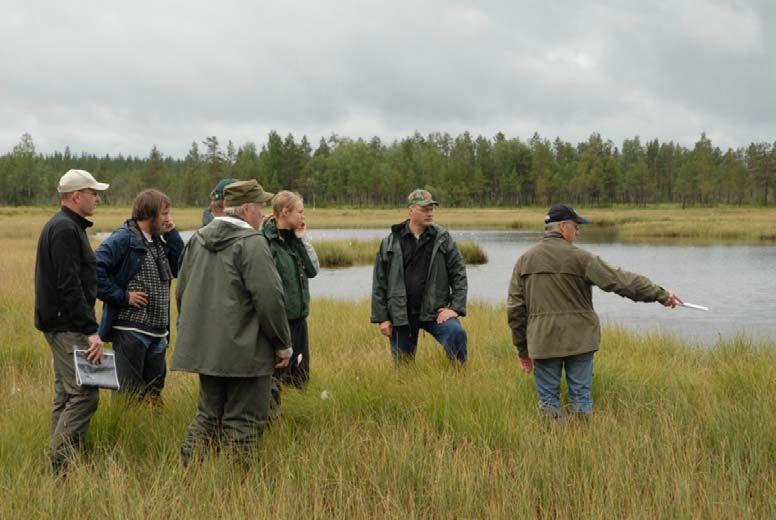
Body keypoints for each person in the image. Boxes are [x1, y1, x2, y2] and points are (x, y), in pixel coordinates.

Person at [507, 204, 682, 419]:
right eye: (576, 225)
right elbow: (621, 281)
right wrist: (660, 294)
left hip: (543, 342)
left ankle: (556, 447)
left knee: (549, 402)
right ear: (563, 227)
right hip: (580, 340)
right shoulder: (581, 258)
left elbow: (515, 310)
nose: (578, 231)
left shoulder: (524, 261)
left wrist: (522, 350)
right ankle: (582, 443)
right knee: (581, 399)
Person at [173, 180, 292, 464]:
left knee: (207, 417)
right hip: (246, 354)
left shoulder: (197, 239)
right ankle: (235, 490)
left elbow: (182, 293)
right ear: (247, 208)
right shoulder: (252, 243)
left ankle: (189, 476)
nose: (264, 214)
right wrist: (282, 344)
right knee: (245, 423)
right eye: (261, 206)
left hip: (207, 352)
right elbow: (270, 299)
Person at [34, 169, 109, 473]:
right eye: (93, 193)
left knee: (66, 395)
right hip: (68, 327)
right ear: (77, 196)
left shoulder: (67, 226)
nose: (98, 199)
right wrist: (90, 330)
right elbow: (69, 284)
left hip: (62, 324)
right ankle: (60, 464)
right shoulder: (65, 229)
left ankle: (62, 463)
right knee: (84, 396)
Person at [95, 189, 183, 401]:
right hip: (130, 330)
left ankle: (150, 432)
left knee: (153, 393)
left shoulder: (158, 240)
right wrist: (123, 297)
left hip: (158, 333)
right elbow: (92, 269)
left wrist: (172, 234)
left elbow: (181, 266)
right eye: (164, 214)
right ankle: (122, 433)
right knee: (127, 395)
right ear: (148, 214)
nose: (168, 219)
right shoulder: (124, 238)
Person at [371, 189, 468, 365]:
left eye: (431, 209)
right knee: (403, 368)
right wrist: (383, 318)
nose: (430, 213)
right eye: (424, 209)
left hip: (435, 312)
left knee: (456, 333)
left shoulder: (443, 238)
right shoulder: (390, 242)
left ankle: (459, 376)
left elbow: (459, 273)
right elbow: (380, 282)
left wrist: (455, 307)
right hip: (402, 314)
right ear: (411, 211)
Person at [263, 191, 320, 388]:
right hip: (280, 323)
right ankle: (276, 417)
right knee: (279, 378)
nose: (303, 216)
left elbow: (313, 271)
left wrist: (302, 239)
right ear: (285, 213)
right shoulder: (267, 242)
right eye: (300, 212)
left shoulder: (295, 240)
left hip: (299, 321)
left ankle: (300, 414)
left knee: (301, 377)